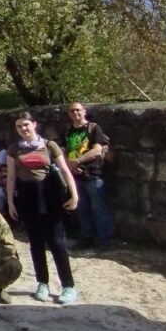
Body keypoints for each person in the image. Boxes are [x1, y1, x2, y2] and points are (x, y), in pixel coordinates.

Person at [7, 111, 80, 305]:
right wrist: (10, 201)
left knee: (57, 242)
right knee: (36, 242)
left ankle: (68, 286)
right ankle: (42, 283)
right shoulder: (14, 149)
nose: (23, 128)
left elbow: (64, 170)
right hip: (27, 197)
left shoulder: (49, 145)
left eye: (26, 124)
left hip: (50, 196)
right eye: (19, 126)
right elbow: (11, 176)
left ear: (34, 124)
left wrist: (74, 195)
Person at [63, 102, 115, 249]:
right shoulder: (68, 131)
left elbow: (97, 150)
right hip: (76, 176)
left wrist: (77, 162)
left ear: (84, 111)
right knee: (82, 208)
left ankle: (105, 239)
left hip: (93, 174)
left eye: (78, 110)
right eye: (72, 111)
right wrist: (70, 166)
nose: (75, 113)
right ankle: (87, 237)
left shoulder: (94, 128)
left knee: (99, 208)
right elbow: (64, 151)